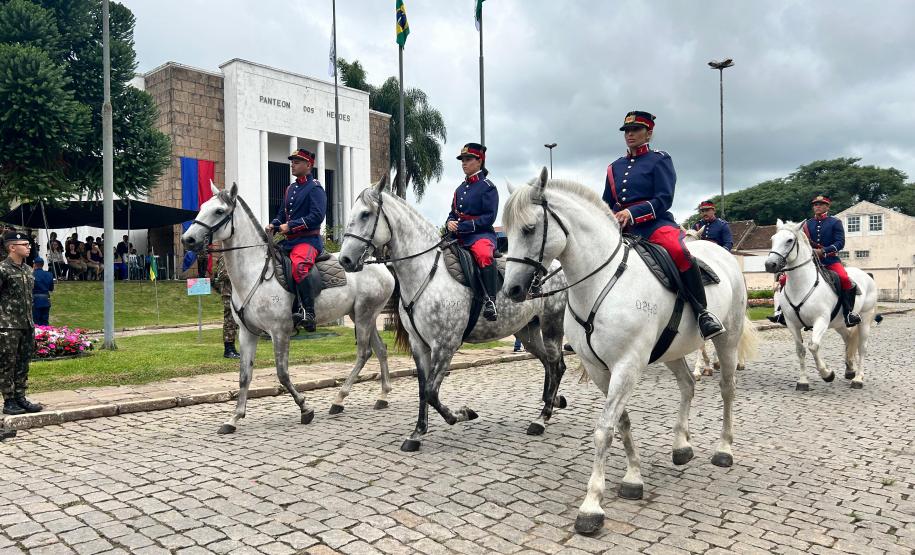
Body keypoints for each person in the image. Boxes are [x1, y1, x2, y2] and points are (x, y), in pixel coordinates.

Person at [602, 111, 724, 339]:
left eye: (635, 130)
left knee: (679, 251)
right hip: (620, 227)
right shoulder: (614, 167)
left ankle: (702, 313)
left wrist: (632, 213)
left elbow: (663, 199)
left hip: (654, 224)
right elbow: (606, 203)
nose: (630, 134)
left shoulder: (659, 160)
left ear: (648, 133)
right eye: (626, 130)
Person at [768, 195, 860, 327]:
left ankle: (848, 313)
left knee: (844, 278)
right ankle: (782, 312)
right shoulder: (807, 224)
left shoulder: (835, 222)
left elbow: (840, 243)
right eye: (815, 204)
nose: (817, 206)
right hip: (810, 261)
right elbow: (802, 243)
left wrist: (823, 251)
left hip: (830, 260)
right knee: (783, 280)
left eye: (821, 204)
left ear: (827, 207)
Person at [266, 148, 326, 332]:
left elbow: (317, 216)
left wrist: (291, 226)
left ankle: (309, 314)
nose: (292, 165)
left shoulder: (315, 188)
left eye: (297, 162)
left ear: (308, 165)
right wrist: (274, 224)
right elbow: (281, 215)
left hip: (308, 241)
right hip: (289, 242)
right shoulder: (290, 189)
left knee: (299, 268)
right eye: (292, 162)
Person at [446, 143, 500, 321]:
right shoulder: (460, 189)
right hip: (457, 236)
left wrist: (463, 226)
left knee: (484, 255)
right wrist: (449, 223)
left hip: (480, 235)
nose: (464, 163)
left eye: (468, 159)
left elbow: (489, 217)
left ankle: (490, 301)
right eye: (462, 160)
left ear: (479, 161)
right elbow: (453, 213)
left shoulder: (488, 187)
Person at [0, 230, 43, 415]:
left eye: (28, 244)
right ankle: (9, 400)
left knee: (23, 362)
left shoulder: (27, 269)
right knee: (7, 363)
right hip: (7, 325)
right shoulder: (2, 269)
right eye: (24, 245)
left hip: (26, 324)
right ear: (12, 247)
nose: (29, 247)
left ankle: (20, 397)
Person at [213, 256, 240, 359]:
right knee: (229, 320)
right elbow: (221, 275)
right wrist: (239, 274)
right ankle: (228, 350)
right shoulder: (225, 257)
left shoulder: (233, 256)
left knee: (234, 321)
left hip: (235, 294)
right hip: (228, 294)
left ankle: (232, 348)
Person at [31, 257, 54, 326]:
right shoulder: (49, 274)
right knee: (45, 322)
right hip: (46, 300)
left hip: (35, 300)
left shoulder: (31, 274)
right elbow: (51, 288)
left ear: (34, 264)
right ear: (43, 265)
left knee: (36, 322)